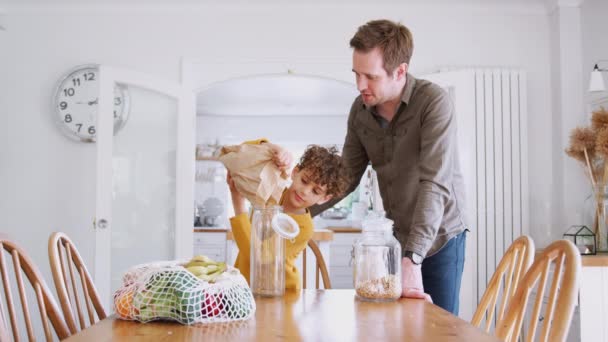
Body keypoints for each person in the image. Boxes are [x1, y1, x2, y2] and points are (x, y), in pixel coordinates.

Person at [310, 19, 467, 315]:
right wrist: (297, 210)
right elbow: (345, 177)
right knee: (397, 325)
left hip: (440, 239)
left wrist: (413, 258)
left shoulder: (433, 103)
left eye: (370, 76)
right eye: (356, 74)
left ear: (400, 71)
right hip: (397, 239)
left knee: (440, 328)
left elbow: (434, 183)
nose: (359, 86)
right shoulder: (360, 111)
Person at [227, 140, 350, 289]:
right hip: (245, 285)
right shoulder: (271, 192)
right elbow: (245, 152)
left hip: (280, 293)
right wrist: (274, 148)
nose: (305, 191)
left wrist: (237, 203)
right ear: (295, 172)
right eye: (304, 181)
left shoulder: (303, 228)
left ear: (324, 198)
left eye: (315, 191)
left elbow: (259, 257)